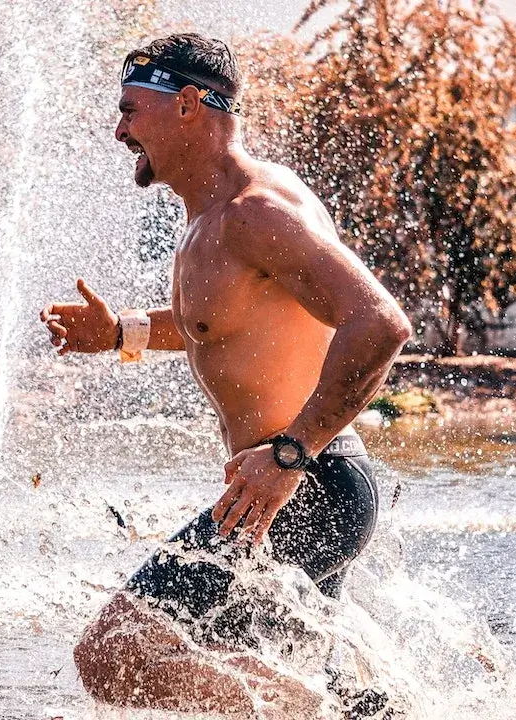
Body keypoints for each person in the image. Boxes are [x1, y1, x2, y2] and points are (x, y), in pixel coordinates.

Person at [40, 33, 412, 717]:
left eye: (130, 110)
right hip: (294, 484)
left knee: (115, 654)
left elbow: (380, 322)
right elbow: (222, 322)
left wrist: (292, 454)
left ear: (186, 105)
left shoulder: (255, 213)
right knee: (258, 673)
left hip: (304, 487)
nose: (119, 130)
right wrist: (122, 333)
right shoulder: (214, 217)